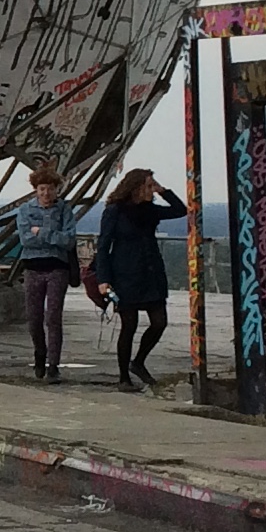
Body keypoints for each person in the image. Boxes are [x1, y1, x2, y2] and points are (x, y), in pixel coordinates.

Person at [85, 167, 190, 392]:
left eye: (153, 186)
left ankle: (139, 361)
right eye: (149, 186)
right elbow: (103, 246)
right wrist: (104, 279)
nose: (152, 190)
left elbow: (180, 210)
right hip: (125, 272)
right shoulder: (115, 211)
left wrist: (163, 190)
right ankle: (124, 376)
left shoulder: (150, 210)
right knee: (128, 325)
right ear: (136, 187)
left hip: (150, 271)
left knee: (159, 322)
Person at [13, 162, 83, 382]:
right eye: (42, 188)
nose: (46, 192)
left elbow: (69, 240)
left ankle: (53, 364)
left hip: (57, 268)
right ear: (36, 189)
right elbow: (26, 240)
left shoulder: (64, 210)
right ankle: (40, 355)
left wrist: (41, 232)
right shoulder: (25, 210)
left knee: (53, 317)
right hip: (33, 268)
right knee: (34, 318)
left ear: (56, 189)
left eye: (50, 188)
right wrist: (54, 236)